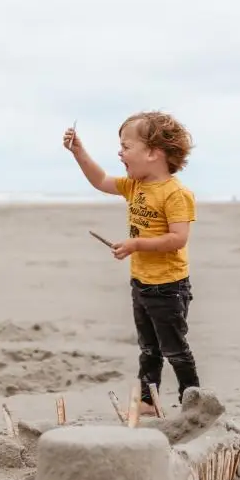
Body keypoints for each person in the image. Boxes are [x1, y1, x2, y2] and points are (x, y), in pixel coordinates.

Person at [63, 111, 200, 412]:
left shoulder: (176, 194)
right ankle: (149, 401)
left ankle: (193, 400)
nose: (119, 152)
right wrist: (78, 151)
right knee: (148, 348)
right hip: (141, 283)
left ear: (153, 152)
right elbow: (99, 180)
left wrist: (136, 244)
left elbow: (178, 238)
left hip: (169, 287)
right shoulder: (133, 186)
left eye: (126, 146)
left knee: (174, 348)